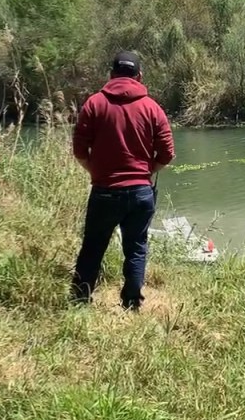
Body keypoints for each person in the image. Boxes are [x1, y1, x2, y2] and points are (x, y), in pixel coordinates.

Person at [70, 51, 175, 311]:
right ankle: (131, 303)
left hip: (104, 191)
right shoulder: (152, 108)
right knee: (136, 248)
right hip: (141, 193)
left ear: (111, 74)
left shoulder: (94, 104)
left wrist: (96, 172)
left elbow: (79, 150)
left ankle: (80, 301)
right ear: (139, 76)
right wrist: (146, 173)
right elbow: (167, 154)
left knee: (93, 247)